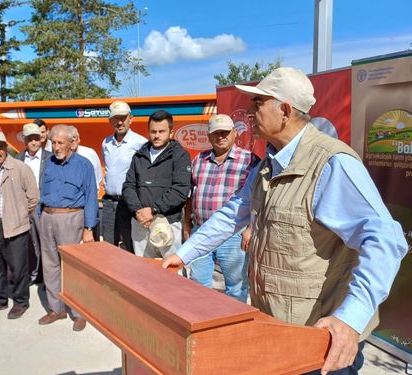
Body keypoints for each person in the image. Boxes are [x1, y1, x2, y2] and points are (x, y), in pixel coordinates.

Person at [163, 67, 408, 375]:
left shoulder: (331, 164)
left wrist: (350, 320)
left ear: (285, 110)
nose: (251, 114)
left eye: (258, 104)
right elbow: (233, 213)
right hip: (278, 331)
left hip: (319, 344)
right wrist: (182, 254)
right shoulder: (268, 164)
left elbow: (386, 240)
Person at [183, 114, 258, 303]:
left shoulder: (250, 160)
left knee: (236, 287)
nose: (221, 136)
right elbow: (191, 195)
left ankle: (233, 328)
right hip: (202, 230)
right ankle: (203, 323)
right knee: (198, 285)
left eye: (225, 132)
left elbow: (260, 199)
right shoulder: (199, 159)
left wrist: (251, 228)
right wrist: (187, 224)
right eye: (216, 133)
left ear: (234, 133)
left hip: (233, 234)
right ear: (209, 136)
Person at [38, 124, 97, 332]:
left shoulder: (84, 165)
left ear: (72, 143)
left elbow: (91, 197)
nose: (56, 147)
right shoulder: (48, 163)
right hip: (47, 217)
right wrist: (40, 215)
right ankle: (57, 309)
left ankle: (79, 312)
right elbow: (41, 189)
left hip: (71, 218)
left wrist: (89, 227)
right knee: (50, 264)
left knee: (73, 268)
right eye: (53, 143)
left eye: (60, 143)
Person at [0, 130, 39, 319]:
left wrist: (20, 215)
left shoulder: (20, 168)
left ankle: (20, 302)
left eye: (0, 147)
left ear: (6, 148)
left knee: (18, 267)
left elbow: (33, 197)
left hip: (15, 226)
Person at [122, 110, 191, 258]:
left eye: (161, 131)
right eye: (153, 131)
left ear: (171, 132)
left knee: (171, 272)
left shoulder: (180, 156)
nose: (157, 135)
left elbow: (180, 191)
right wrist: (139, 212)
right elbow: (128, 186)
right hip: (141, 223)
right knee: (142, 271)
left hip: (168, 223)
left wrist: (153, 210)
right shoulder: (139, 155)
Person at [101, 101, 147, 252]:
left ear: (130, 118)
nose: (119, 122)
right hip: (108, 202)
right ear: (110, 121)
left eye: (123, 118)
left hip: (129, 203)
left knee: (132, 246)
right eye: (115, 118)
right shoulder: (106, 142)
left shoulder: (141, 143)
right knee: (108, 247)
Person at [14, 123, 53, 284]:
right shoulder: (18, 159)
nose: (34, 142)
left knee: (46, 243)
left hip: (43, 206)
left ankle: (46, 277)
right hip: (24, 207)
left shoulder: (50, 158)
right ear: (25, 141)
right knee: (28, 242)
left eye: (36, 139)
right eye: (30, 139)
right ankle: (33, 273)